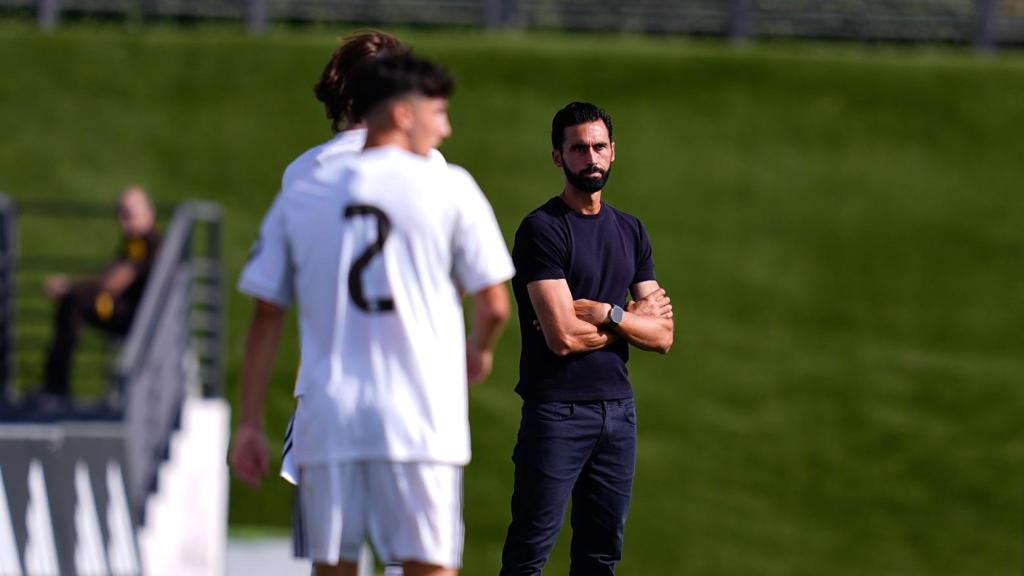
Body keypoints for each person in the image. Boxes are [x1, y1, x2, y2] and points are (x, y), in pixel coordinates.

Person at [228, 53, 514, 576]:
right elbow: (495, 304)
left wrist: (248, 422)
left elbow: (265, 314)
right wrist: (479, 351)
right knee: (429, 567)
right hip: (422, 416)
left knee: (334, 568)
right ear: (403, 113)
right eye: (439, 112)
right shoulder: (450, 186)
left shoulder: (305, 186)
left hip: (330, 415)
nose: (446, 127)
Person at [499, 102, 675, 575]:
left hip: (619, 413)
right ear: (557, 156)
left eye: (599, 147)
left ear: (614, 152)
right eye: (578, 148)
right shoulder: (542, 230)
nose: (590, 157)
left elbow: (662, 335)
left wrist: (606, 313)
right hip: (557, 412)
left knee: (600, 559)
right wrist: (628, 323)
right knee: (527, 556)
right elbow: (561, 338)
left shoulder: (631, 230)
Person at [41, 186, 160, 399]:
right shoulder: (139, 243)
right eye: (121, 213)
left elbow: (114, 283)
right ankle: (55, 385)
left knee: (76, 301)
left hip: (138, 318)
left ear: (149, 213)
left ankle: (56, 387)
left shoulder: (143, 243)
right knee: (77, 300)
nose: (124, 220)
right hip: (138, 314)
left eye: (130, 213)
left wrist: (70, 287)